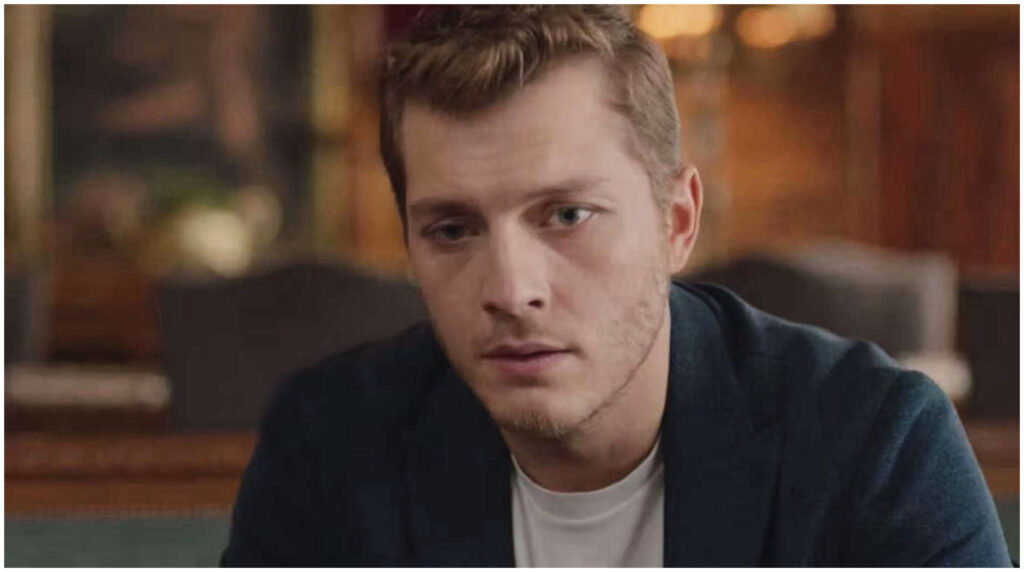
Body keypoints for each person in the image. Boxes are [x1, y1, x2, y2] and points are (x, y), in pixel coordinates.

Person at [222, 6, 1011, 566]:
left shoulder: (872, 446)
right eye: (452, 230)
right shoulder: (329, 448)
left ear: (677, 221)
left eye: (567, 215)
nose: (511, 290)